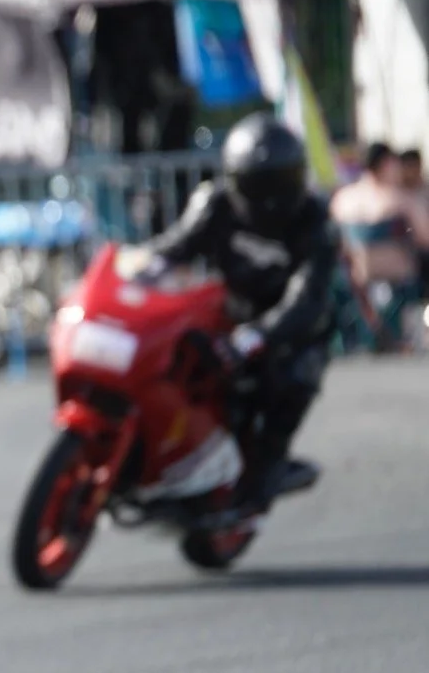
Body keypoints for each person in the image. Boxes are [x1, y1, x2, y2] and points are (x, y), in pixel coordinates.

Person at [146, 113, 337, 513]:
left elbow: (307, 298)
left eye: (275, 186)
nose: (265, 200)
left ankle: (267, 469)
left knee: (293, 377)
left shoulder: (315, 222)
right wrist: (139, 268)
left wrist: (257, 335)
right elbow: (175, 247)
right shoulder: (215, 203)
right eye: (256, 186)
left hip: (290, 327)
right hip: (228, 309)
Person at [329, 143, 429, 348]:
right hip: (402, 285)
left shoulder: (342, 199)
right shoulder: (400, 199)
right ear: (386, 164)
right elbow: (424, 237)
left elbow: (335, 243)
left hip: (357, 287)